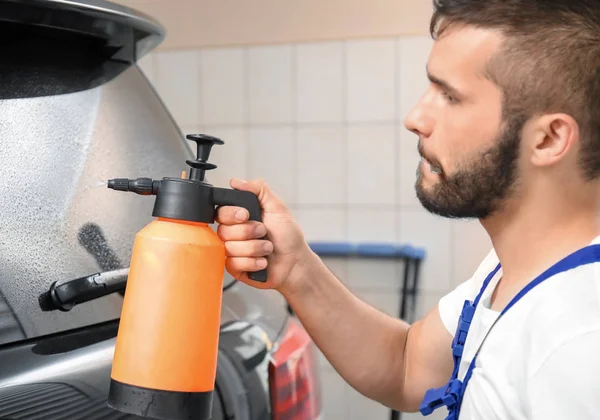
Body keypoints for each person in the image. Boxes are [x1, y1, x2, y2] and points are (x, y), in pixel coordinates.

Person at [215, 1, 600, 419]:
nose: (415, 118)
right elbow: (408, 367)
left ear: (548, 139)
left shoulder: (578, 342)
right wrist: (296, 269)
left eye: (450, 95)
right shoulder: (520, 270)